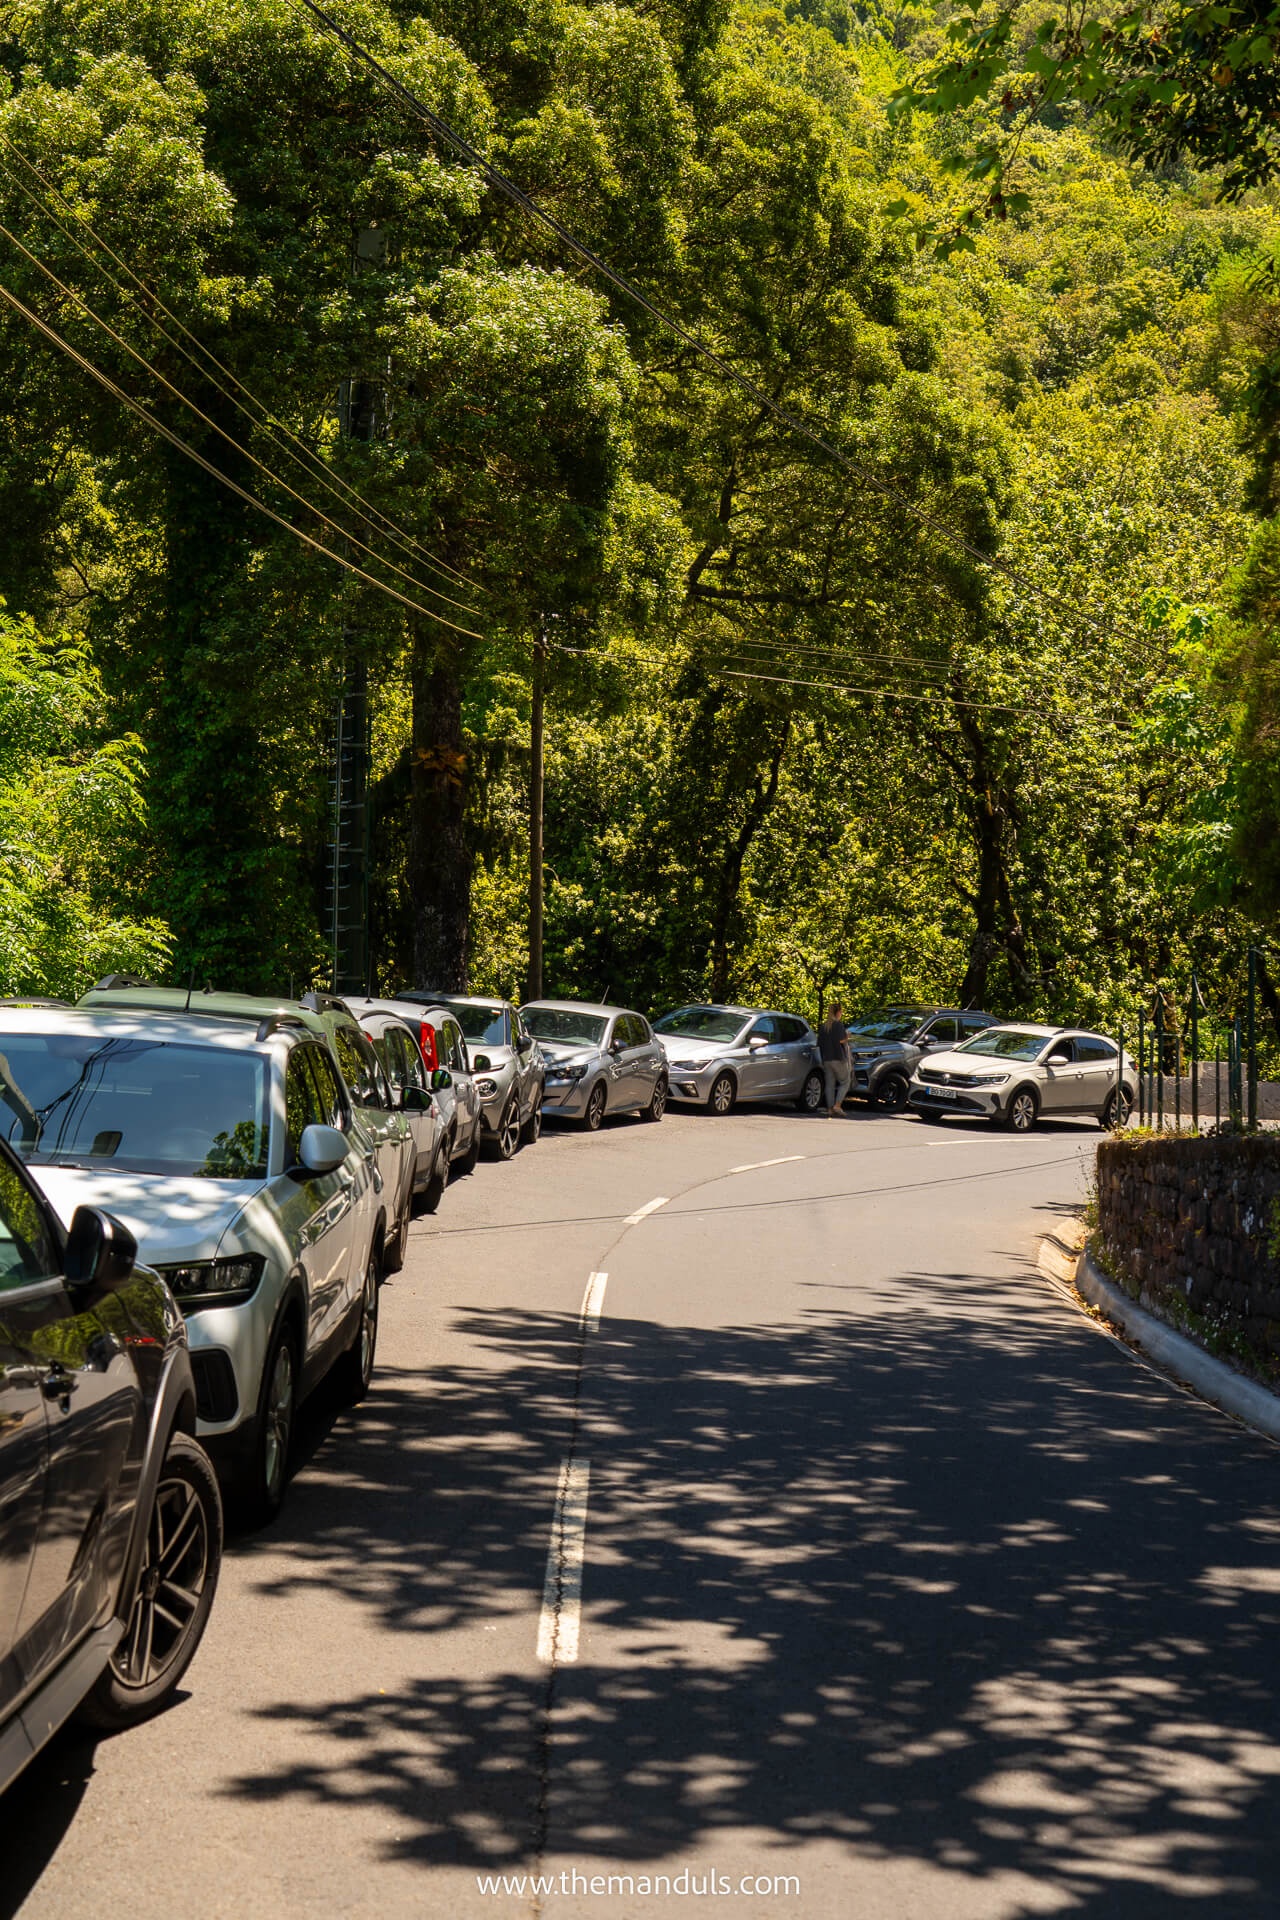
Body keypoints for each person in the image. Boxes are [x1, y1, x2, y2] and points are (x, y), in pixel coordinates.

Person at [818, 1001, 851, 1115]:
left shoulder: (823, 1026)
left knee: (830, 1084)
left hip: (826, 1058)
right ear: (837, 1012)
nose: (841, 1013)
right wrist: (848, 1037)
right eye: (841, 1011)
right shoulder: (838, 1025)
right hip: (838, 1057)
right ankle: (837, 1105)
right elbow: (841, 1040)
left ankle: (830, 1109)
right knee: (845, 1081)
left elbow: (819, 1043)